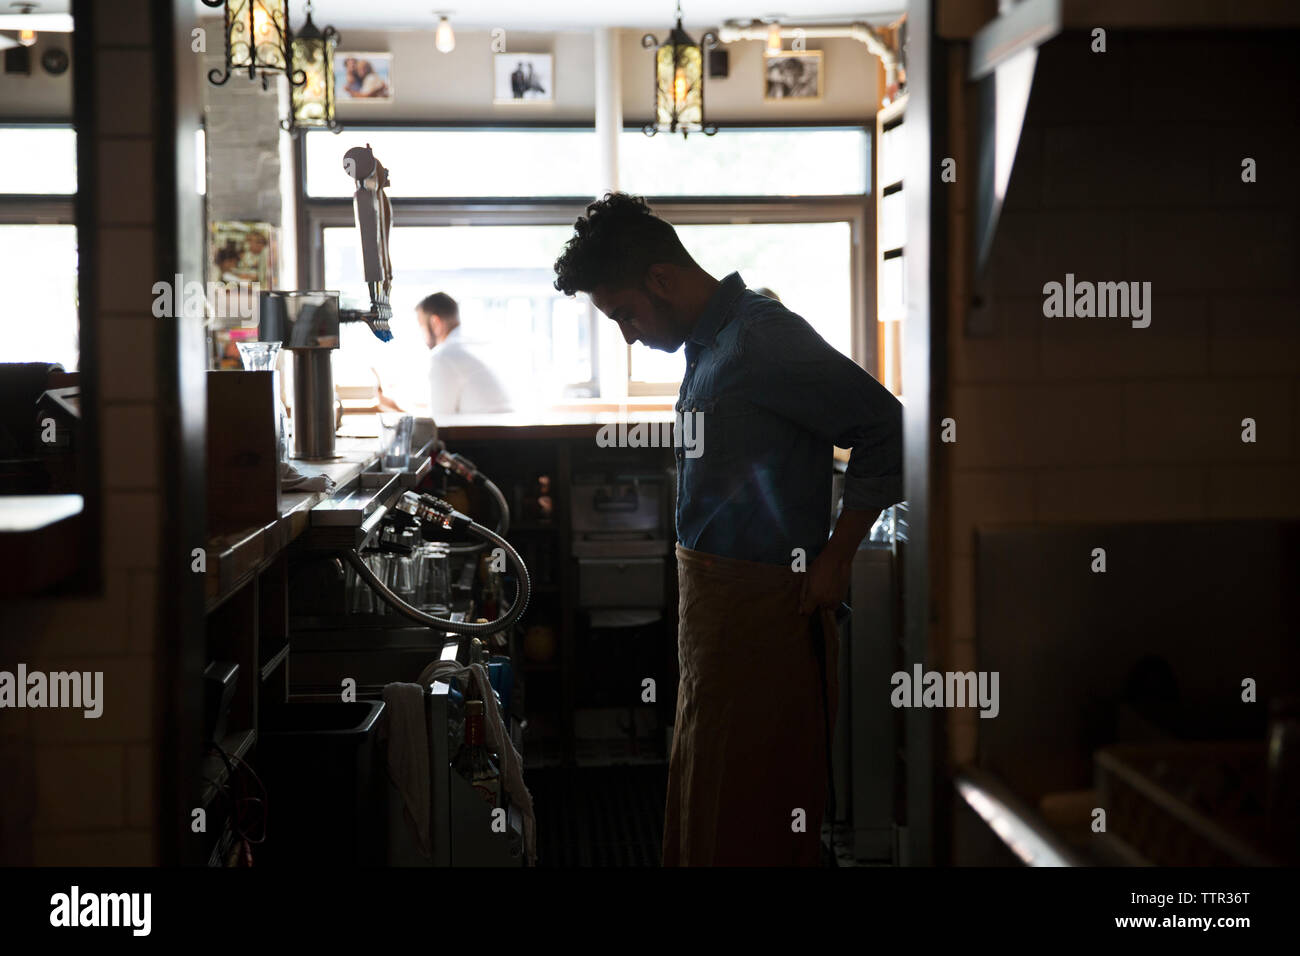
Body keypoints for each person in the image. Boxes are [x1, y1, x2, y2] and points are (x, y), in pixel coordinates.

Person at [552, 192, 903, 866]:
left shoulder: (759, 338)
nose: (627, 333)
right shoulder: (705, 345)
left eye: (625, 314)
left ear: (661, 278)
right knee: (710, 793)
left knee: (758, 810)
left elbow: (884, 428)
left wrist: (837, 557)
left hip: (770, 611)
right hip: (714, 612)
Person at [415, 292, 513, 417]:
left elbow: (440, 420)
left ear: (435, 322)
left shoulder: (444, 356)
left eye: (421, 326)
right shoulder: (473, 346)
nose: (422, 336)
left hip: (485, 435)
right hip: (506, 433)